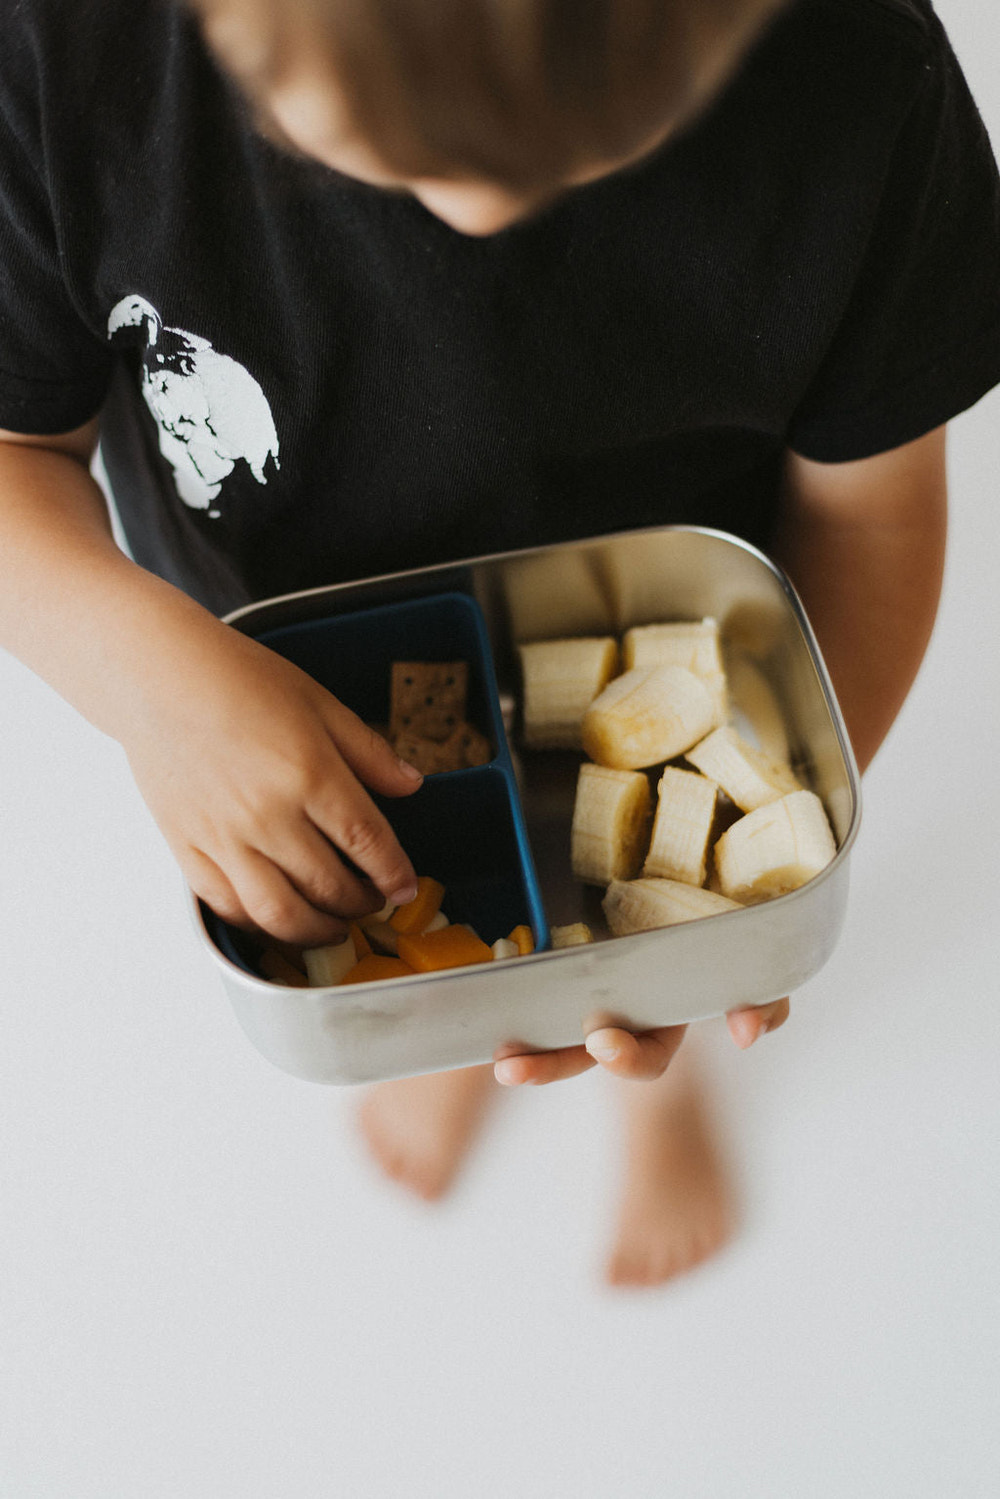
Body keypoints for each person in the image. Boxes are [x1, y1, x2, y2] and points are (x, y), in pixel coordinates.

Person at [1, 0, 997, 1285]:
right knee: (410, 911)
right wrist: (139, 672)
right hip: (283, 658)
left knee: (636, 991)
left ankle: (651, 1084)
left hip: (669, 642)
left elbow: (872, 515)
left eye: (586, 148)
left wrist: (731, 890)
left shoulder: (865, 77)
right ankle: (452, 1037)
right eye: (388, 150)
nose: (476, 210)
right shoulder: (62, 49)